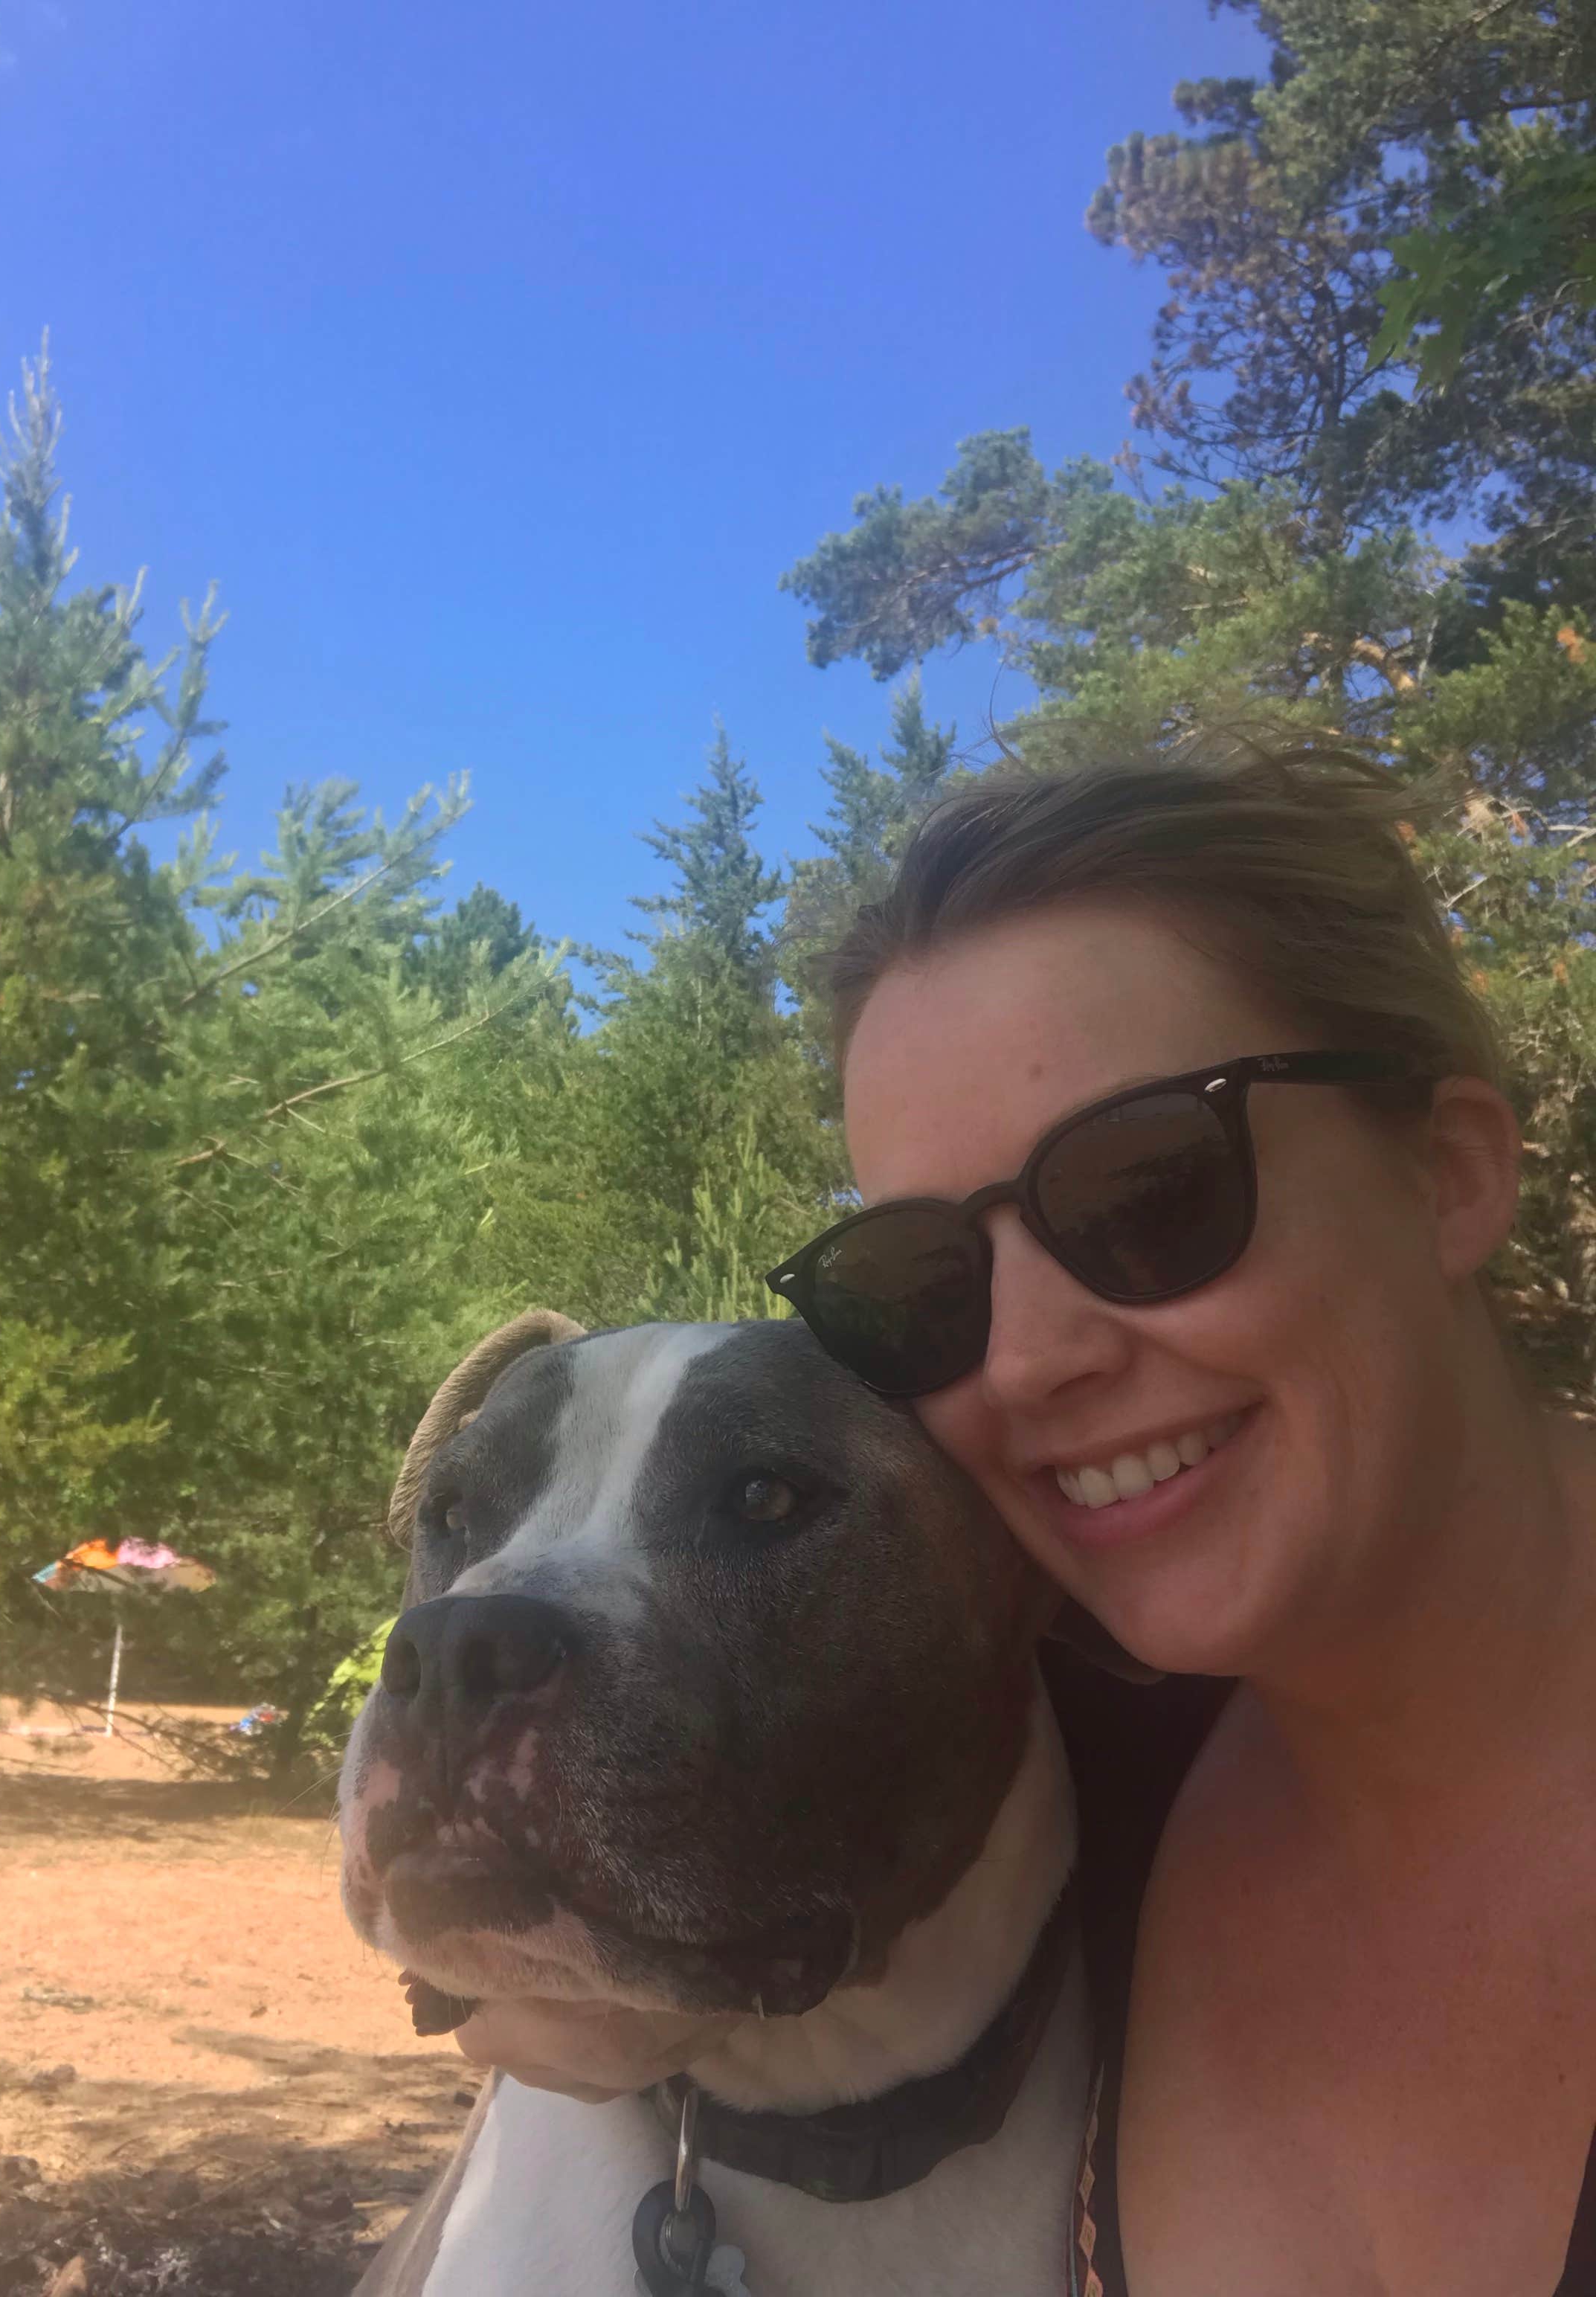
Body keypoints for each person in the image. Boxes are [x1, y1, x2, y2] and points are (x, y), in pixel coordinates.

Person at [453, 744, 1595, 2295]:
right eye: (921, 1279)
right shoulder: (1084, 1785)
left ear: (1449, 1175)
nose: (1027, 1354)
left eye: (1143, 1193)